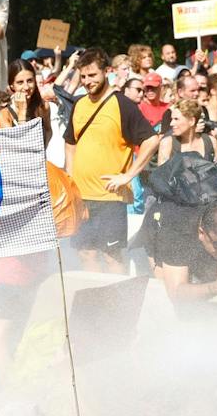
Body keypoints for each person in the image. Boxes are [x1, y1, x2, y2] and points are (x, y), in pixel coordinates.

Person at [64, 47, 161, 271]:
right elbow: (70, 140)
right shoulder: (79, 104)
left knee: (112, 256)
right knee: (85, 253)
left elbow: (151, 140)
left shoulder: (122, 104)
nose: (88, 81)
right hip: (81, 196)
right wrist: (70, 172)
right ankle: (95, 304)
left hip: (110, 197)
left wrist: (128, 175)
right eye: (84, 76)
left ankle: (118, 305)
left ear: (106, 72)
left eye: (93, 75)